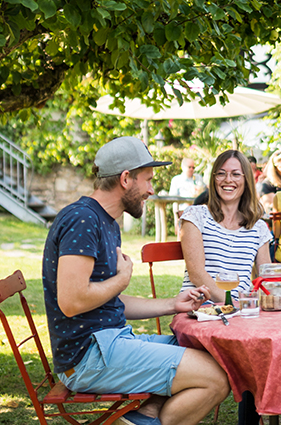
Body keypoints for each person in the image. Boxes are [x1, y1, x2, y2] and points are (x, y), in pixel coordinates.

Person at [43, 136, 229, 425]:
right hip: (89, 358)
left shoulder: (106, 221)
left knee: (213, 353)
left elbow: (103, 299)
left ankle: (143, 417)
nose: (152, 190)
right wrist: (122, 279)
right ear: (126, 179)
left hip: (109, 344)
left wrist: (172, 304)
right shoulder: (82, 220)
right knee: (215, 378)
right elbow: (72, 301)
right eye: (148, 180)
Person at [178, 150, 272, 302]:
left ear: (246, 180)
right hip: (199, 309)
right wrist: (232, 305)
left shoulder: (259, 228)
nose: (228, 180)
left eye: (235, 174)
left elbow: (266, 278)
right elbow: (196, 274)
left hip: (241, 314)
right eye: (221, 174)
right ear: (214, 179)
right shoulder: (195, 216)